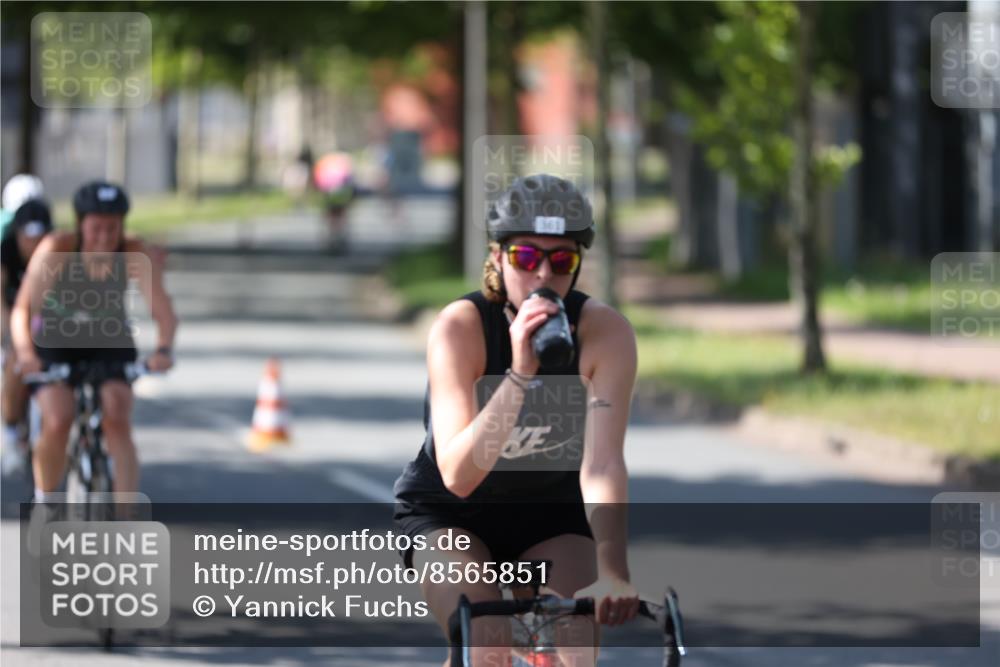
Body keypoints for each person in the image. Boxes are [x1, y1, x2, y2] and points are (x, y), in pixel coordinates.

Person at [393, 174, 640, 666]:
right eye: (526, 257)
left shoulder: (605, 333)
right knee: (487, 639)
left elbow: (603, 465)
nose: (543, 274)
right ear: (497, 257)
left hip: (553, 518)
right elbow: (459, 476)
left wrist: (613, 570)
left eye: (562, 259)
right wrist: (520, 374)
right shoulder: (460, 328)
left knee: (569, 639)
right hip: (453, 516)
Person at [10, 181, 178, 502]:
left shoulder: (132, 252)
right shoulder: (57, 248)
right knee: (58, 418)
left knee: (117, 413)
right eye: (96, 228)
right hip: (56, 339)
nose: (104, 236)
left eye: (112, 228)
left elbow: (163, 310)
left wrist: (163, 349)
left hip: (109, 339)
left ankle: (126, 512)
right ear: (79, 224)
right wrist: (25, 353)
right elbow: (22, 309)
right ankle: (45, 501)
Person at [1, 199, 53, 475]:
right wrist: (10, 334)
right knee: (14, 363)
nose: (34, 245)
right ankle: (10, 429)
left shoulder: (57, 253)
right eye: (28, 238)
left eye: (40, 237)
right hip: (12, 320)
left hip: (49, 324)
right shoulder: (6, 252)